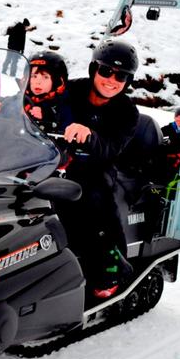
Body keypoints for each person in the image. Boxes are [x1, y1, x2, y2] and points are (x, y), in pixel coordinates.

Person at [57, 39, 140, 300]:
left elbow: (110, 148)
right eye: (106, 71)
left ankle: (110, 267)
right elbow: (38, 104)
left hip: (94, 168)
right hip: (51, 162)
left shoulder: (127, 111)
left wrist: (89, 135)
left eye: (121, 76)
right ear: (94, 69)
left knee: (95, 200)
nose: (111, 80)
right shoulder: (70, 91)